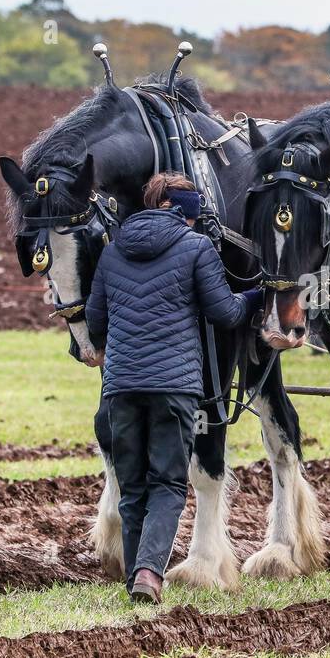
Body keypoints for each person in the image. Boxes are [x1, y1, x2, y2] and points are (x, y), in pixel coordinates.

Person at [85, 172, 263, 603]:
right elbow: (225, 313)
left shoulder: (112, 252)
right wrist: (260, 295)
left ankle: (135, 577)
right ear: (182, 209)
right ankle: (148, 572)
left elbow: (94, 323)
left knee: (132, 484)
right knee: (167, 483)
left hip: (121, 387)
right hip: (175, 387)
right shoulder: (196, 247)